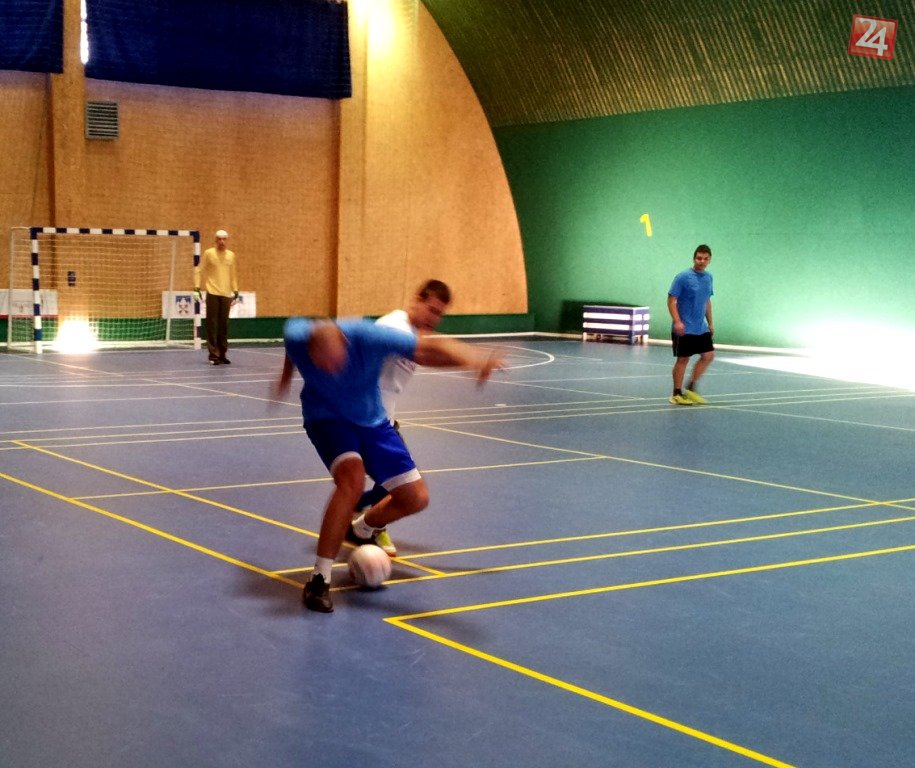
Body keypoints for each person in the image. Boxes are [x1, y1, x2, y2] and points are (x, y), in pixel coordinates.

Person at [273, 317, 503, 613]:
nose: (329, 370)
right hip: (326, 419)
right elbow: (291, 351)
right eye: (321, 363)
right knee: (352, 480)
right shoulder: (297, 335)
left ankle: (363, 528)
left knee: (415, 497)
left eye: (335, 362)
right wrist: (285, 377)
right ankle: (319, 578)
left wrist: (473, 359)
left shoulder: (370, 337)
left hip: (372, 421)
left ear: (345, 345)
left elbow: (427, 348)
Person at [354, 279, 452, 557]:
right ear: (417, 300)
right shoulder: (393, 326)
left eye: (439, 314)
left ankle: (363, 515)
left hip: (384, 418)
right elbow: (423, 353)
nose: (434, 319)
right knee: (405, 485)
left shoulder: (414, 331)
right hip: (363, 419)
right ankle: (366, 521)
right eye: (431, 310)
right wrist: (474, 360)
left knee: (397, 482)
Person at [667, 244, 714, 405]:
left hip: (701, 328)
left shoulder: (708, 278)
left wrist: (710, 323)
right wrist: (677, 321)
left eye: (705, 259)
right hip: (684, 328)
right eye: (699, 258)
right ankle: (676, 393)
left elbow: (707, 301)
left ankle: (691, 388)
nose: (702, 261)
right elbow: (671, 300)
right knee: (683, 359)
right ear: (694, 258)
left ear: (709, 260)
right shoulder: (682, 277)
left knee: (708, 356)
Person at [195, 229, 239, 365]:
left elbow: (233, 274)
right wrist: (196, 287)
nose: (222, 241)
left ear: (227, 240)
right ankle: (213, 355)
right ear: (215, 240)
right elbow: (199, 270)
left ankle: (222, 354)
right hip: (212, 292)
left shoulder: (231, 255)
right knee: (212, 325)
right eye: (219, 239)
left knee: (223, 325)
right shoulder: (209, 253)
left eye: (224, 239)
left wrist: (235, 290)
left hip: (226, 294)